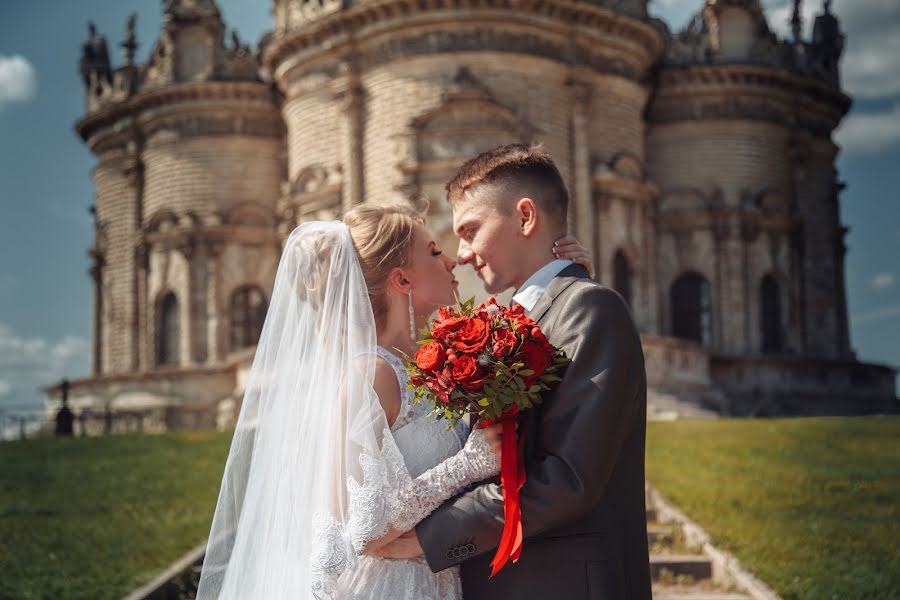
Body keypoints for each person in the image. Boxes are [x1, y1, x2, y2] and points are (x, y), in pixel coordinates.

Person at [195, 202, 594, 599]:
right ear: (402, 280)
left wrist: (563, 277)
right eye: (435, 253)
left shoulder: (431, 366)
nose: (453, 261)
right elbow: (361, 526)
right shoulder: (370, 375)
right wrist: (467, 464)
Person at [377, 144, 652, 600]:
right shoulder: (527, 316)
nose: (461, 254)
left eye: (470, 230)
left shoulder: (588, 308)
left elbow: (568, 479)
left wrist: (430, 538)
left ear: (526, 217)